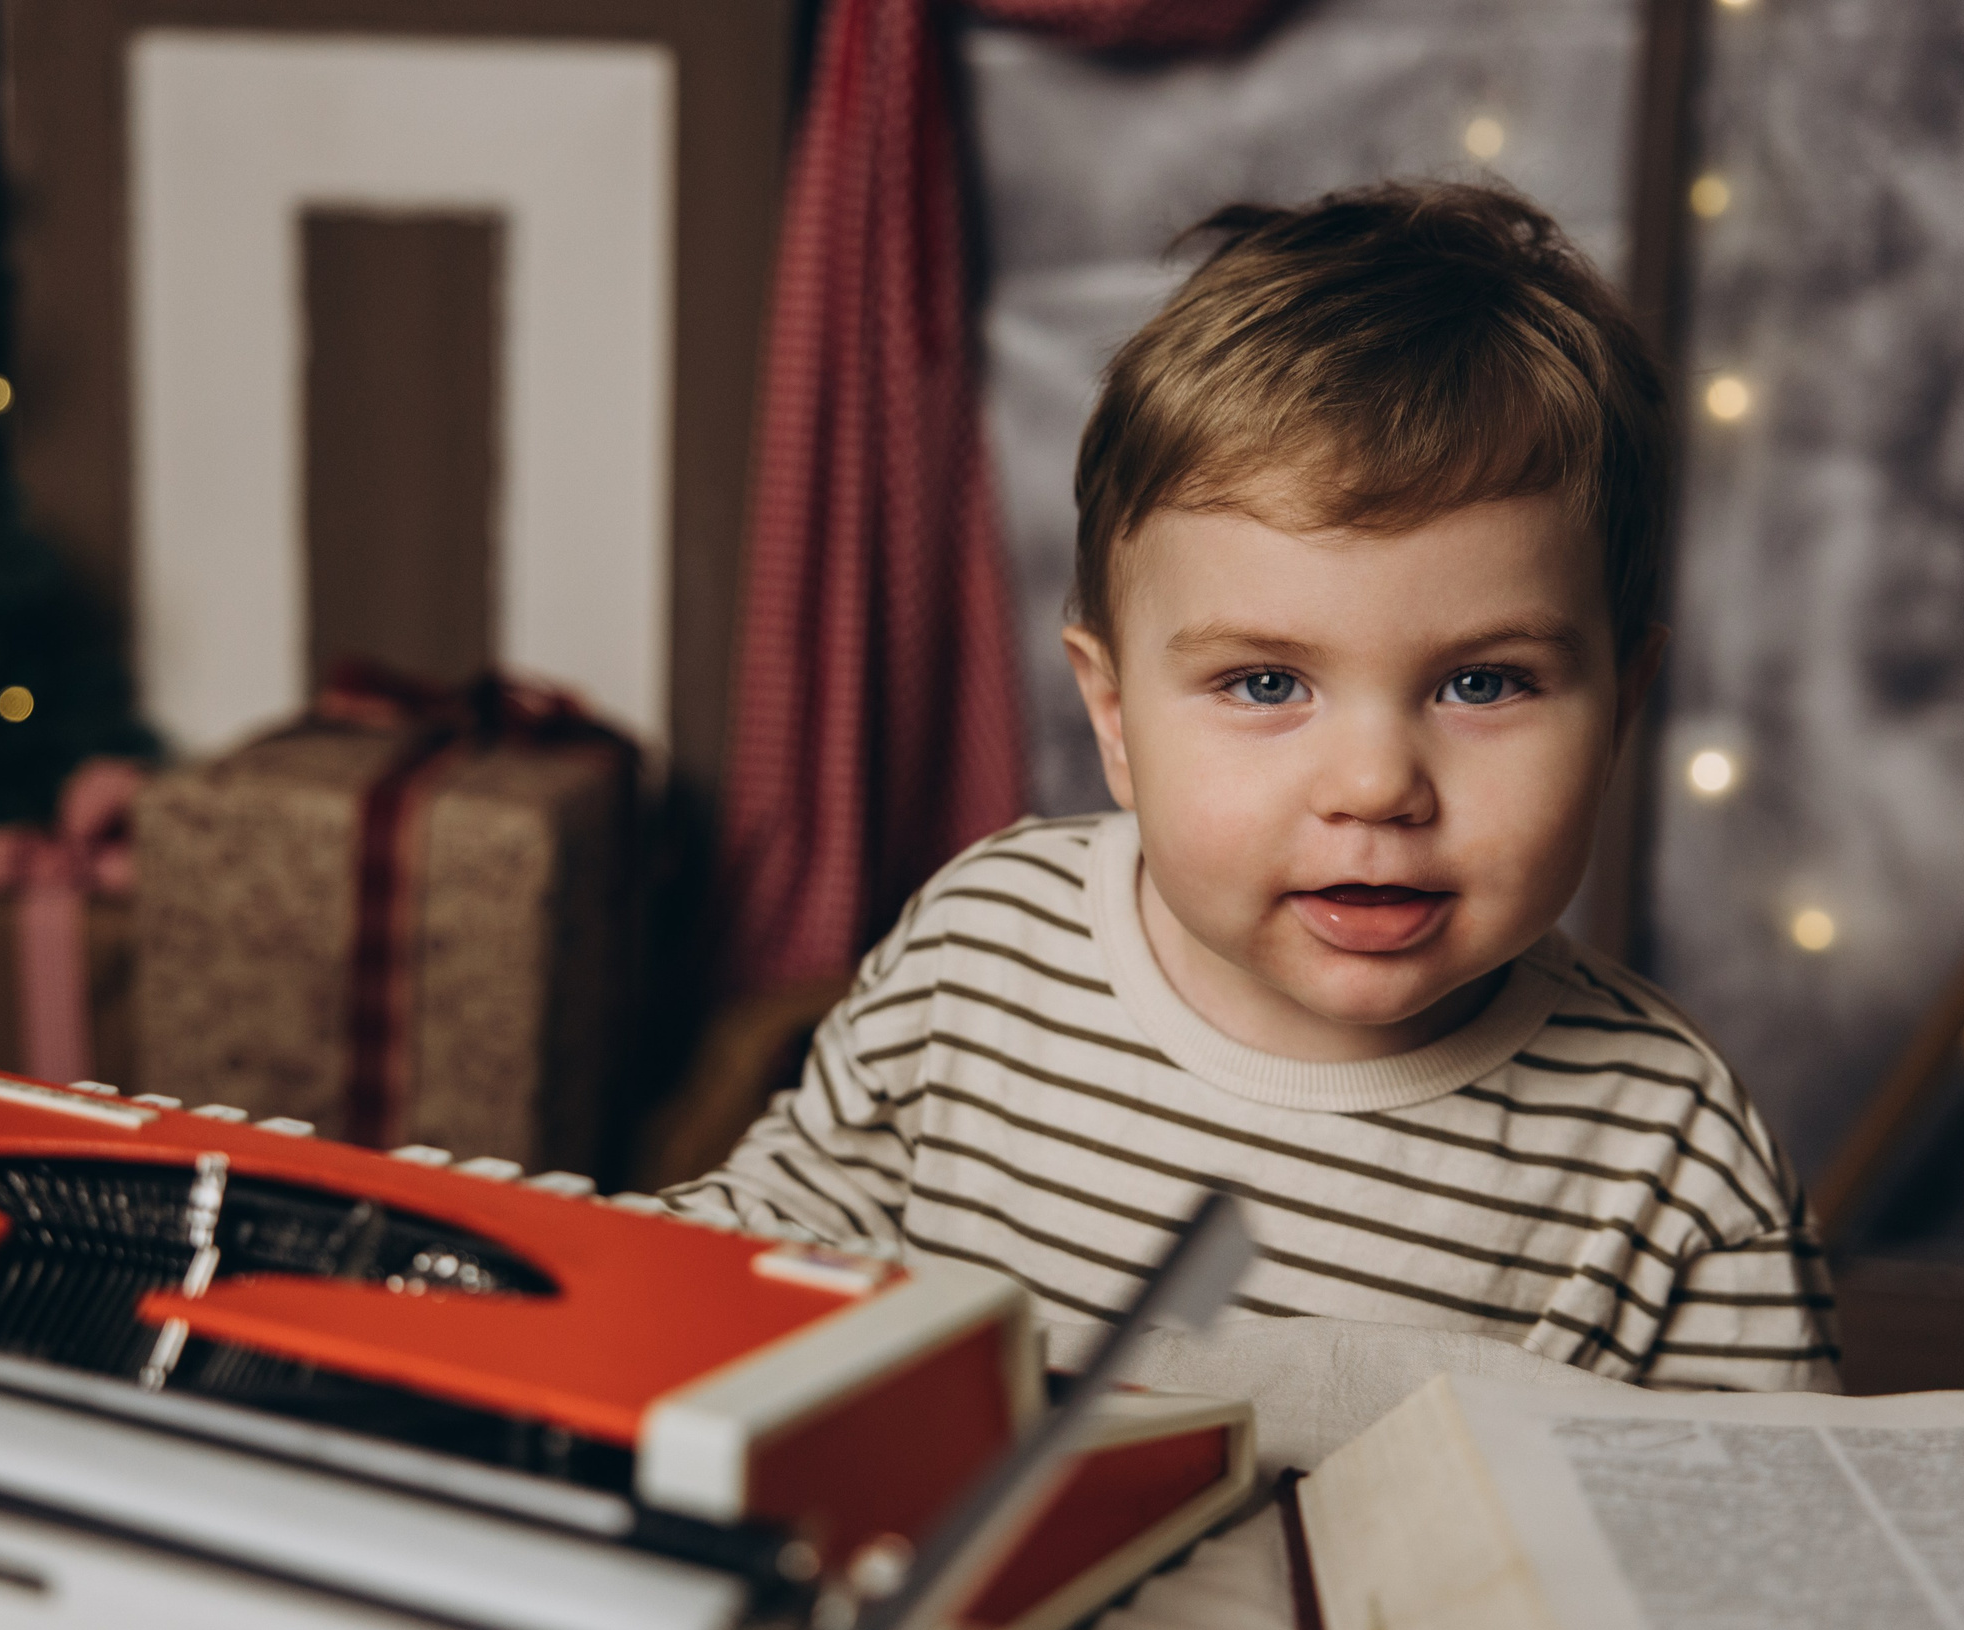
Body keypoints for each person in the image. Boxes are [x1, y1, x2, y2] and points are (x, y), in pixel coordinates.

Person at [667, 183, 1839, 1393]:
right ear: (1114, 717)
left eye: (1483, 684)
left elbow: (1745, 1537)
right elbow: (747, 1255)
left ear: (1622, 710)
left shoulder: (1670, 1156)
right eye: (1268, 685)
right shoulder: (984, 949)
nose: (1377, 787)